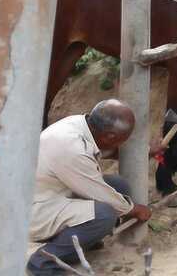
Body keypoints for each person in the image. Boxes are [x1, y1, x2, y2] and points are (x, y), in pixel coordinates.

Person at [27, 99, 164, 275]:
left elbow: (109, 152)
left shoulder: (83, 125)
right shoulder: (71, 147)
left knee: (117, 185)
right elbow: (99, 193)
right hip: (34, 211)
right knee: (104, 215)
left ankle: (82, 240)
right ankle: (44, 261)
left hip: (54, 193)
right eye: (122, 140)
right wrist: (134, 209)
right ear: (109, 137)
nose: (122, 145)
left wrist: (147, 151)